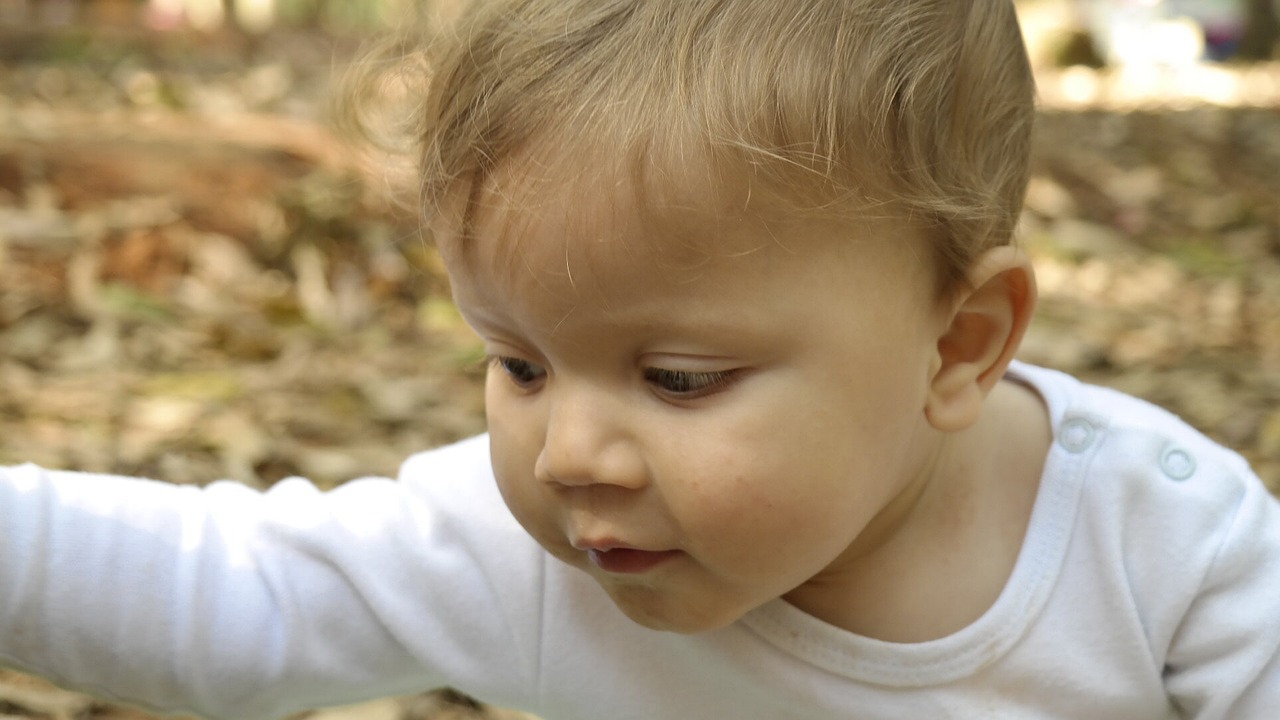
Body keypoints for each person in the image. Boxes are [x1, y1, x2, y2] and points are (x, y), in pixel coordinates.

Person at [3, 1, 1278, 718]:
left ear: (960, 343)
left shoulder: (1162, 549)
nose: (569, 455)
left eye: (676, 380)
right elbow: (240, 597)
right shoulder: (533, 559)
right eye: (517, 362)